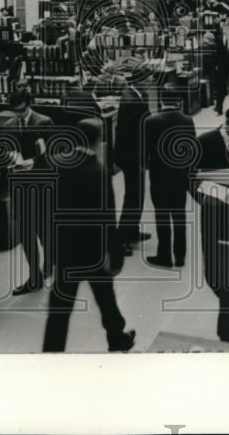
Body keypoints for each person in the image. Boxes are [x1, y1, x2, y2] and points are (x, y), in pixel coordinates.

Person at [43, 118, 135, 352]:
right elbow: (107, 218)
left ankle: (51, 352)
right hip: (93, 252)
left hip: (66, 250)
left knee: (60, 309)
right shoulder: (99, 172)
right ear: (97, 141)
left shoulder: (57, 164)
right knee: (106, 300)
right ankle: (117, 339)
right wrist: (115, 254)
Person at [3, 87, 55, 295]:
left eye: (22, 110)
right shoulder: (8, 125)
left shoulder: (44, 122)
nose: (18, 115)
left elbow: (54, 154)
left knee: (44, 231)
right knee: (25, 234)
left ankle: (50, 263)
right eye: (15, 111)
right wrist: (8, 158)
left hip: (41, 187)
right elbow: (5, 150)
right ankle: (34, 277)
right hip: (19, 187)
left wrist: (35, 162)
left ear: (30, 104)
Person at [143, 94, 196, 268]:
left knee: (162, 214)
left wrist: (145, 165)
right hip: (180, 175)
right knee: (179, 214)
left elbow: (145, 149)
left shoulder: (151, 121)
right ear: (179, 101)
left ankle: (164, 255)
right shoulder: (188, 120)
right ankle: (180, 256)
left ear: (161, 101)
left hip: (159, 175)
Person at [113, 76, 151, 250]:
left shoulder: (136, 94)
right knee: (133, 196)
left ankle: (132, 230)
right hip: (133, 156)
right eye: (148, 78)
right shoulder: (132, 100)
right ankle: (122, 237)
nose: (150, 81)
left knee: (137, 195)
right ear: (139, 80)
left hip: (134, 155)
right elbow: (134, 133)